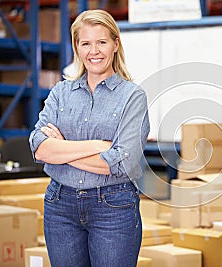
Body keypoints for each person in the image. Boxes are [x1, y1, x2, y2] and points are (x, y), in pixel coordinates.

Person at [29, 9, 150, 267]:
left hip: (113, 208)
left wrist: (61, 151)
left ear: (116, 44)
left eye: (102, 42)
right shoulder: (61, 92)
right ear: (77, 47)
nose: (94, 51)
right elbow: (39, 149)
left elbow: (120, 164)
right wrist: (97, 147)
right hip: (60, 205)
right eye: (86, 43)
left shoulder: (132, 97)